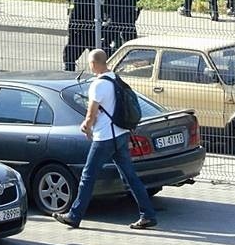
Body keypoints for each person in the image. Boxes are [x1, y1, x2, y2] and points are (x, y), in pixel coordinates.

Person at [53, 48, 157, 230]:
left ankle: (74, 216)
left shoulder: (98, 85)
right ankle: (148, 215)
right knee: (130, 177)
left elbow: (91, 113)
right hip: (121, 134)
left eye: (90, 63)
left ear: (93, 64)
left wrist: (86, 126)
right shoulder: (115, 78)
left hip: (105, 138)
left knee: (87, 176)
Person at [63, 0, 95, 72]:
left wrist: (70, 35)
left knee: (68, 56)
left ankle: (69, 76)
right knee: (101, 57)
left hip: (79, 33)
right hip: (94, 31)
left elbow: (72, 18)